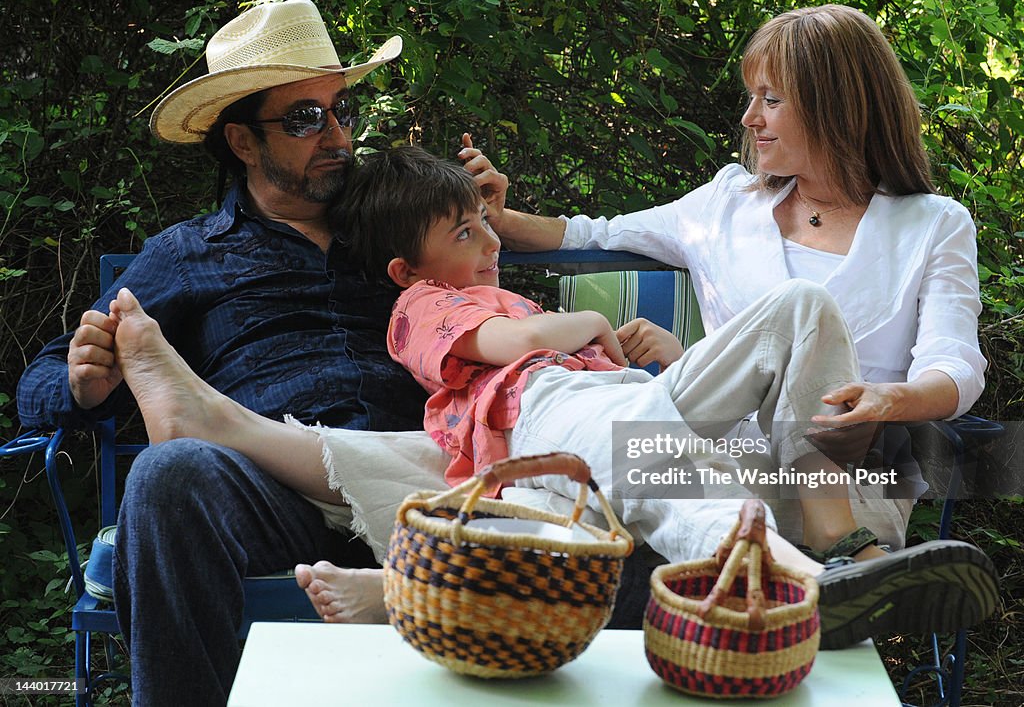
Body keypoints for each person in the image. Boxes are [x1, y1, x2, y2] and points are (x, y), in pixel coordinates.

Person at [103, 145, 997, 653]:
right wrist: (575, 329)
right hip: (542, 423)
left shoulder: (926, 221)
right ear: (407, 272)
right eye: (467, 232)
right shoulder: (424, 307)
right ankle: (802, 585)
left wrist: (657, 358)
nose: (491, 242)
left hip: (578, 424)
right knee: (656, 471)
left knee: (796, 314)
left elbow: (566, 333)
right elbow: (514, 347)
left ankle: (839, 541)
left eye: (489, 226)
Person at [14, 0, 504, 705]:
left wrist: (487, 222)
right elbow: (41, 380)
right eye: (306, 118)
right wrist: (81, 381)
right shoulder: (188, 255)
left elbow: (488, 306)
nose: (336, 134)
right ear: (244, 142)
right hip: (280, 499)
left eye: (341, 110)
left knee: (631, 465)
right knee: (170, 469)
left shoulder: (397, 219)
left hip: (425, 479)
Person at [484, 4, 987, 564]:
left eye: (771, 100)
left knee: (612, 456)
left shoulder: (932, 224)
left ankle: (564, 486)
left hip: (853, 477)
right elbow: (592, 234)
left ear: (838, 107)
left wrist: (890, 402)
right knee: (626, 443)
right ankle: (842, 564)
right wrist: (502, 223)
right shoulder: (725, 203)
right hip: (712, 462)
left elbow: (954, 366)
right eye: (752, 99)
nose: (750, 118)